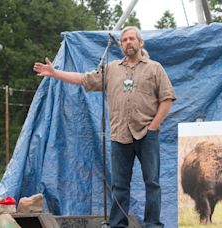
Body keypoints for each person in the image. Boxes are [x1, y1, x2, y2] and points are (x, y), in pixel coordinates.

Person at [33, 26, 176, 228]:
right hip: (120, 136)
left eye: (131, 39)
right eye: (124, 39)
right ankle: (118, 224)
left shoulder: (154, 68)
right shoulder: (111, 69)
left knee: (152, 183)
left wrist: (154, 126)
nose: (128, 42)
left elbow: (167, 98)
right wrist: (55, 73)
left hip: (147, 134)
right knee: (119, 185)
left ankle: (153, 224)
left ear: (140, 42)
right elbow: (84, 79)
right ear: (121, 45)